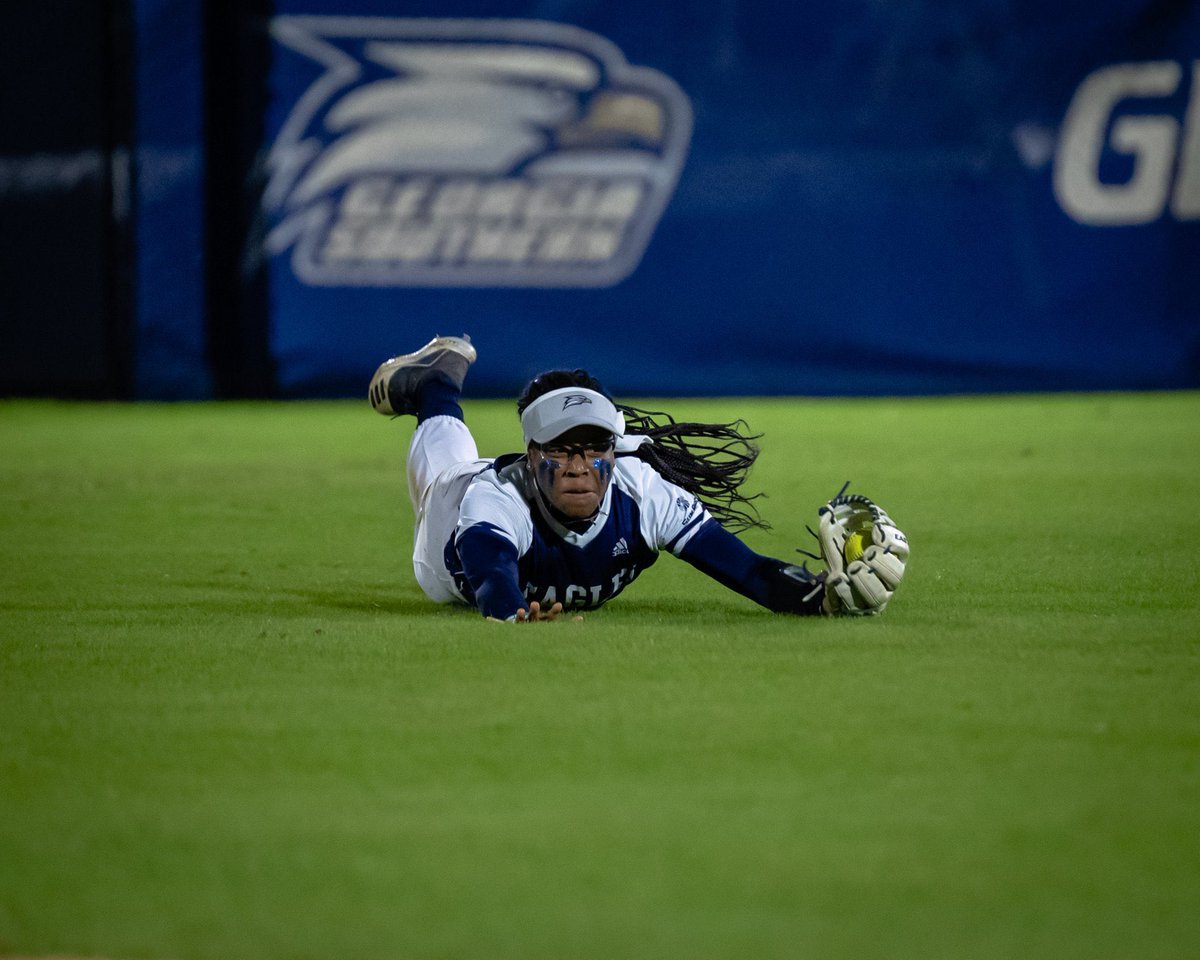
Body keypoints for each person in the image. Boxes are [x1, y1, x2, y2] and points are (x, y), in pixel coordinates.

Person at [369, 335, 901, 622]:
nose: (579, 465)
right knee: (443, 470)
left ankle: (437, 383)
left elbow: (750, 572)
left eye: (593, 448)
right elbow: (491, 578)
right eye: (560, 449)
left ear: (613, 450)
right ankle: (436, 387)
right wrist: (512, 614)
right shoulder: (494, 498)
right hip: (446, 527)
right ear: (532, 455)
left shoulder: (643, 493)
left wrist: (820, 597)